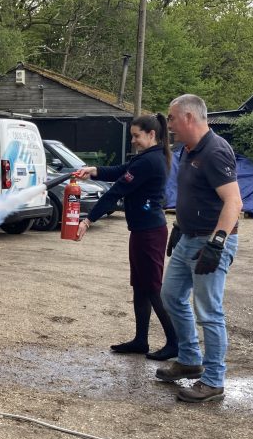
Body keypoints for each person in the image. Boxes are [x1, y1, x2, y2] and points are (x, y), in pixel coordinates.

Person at [156, 94, 243, 403]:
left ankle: (214, 380)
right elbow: (193, 195)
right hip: (188, 236)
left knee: (208, 310)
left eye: (171, 119)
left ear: (189, 118)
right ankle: (190, 358)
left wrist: (216, 243)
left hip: (210, 241)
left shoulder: (216, 151)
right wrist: (179, 227)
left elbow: (233, 202)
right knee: (170, 296)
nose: (169, 126)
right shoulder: (187, 150)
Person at [73, 114, 178, 360]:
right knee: (140, 287)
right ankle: (141, 340)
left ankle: (175, 342)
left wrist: (88, 221)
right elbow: (122, 171)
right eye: (132, 136)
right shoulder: (148, 157)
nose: (133, 140)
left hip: (150, 233)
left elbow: (116, 190)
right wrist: (94, 171)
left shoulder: (150, 162)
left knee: (152, 288)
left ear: (151, 135)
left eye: (136, 136)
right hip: (142, 230)